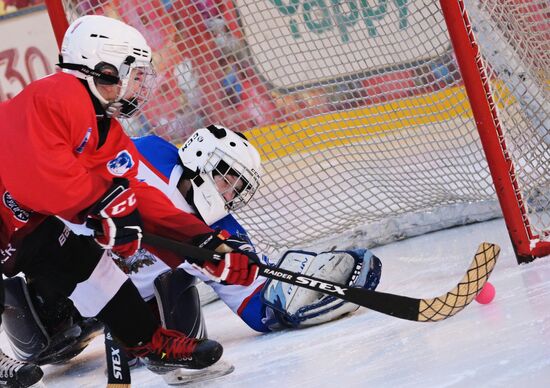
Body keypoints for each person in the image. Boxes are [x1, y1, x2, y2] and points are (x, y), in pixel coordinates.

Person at [3, 125, 383, 385]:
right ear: (202, 156)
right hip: (68, 286)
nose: (230, 194)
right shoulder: (145, 152)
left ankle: (153, 343)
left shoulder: (224, 231)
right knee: (46, 335)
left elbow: (258, 303)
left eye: (238, 189)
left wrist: (297, 291)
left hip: (129, 311)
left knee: (178, 283)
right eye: (227, 179)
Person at [0, 14, 261, 385]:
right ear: (103, 69)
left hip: (26, 223)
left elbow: (135, 196)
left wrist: (201, 245)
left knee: (92, 270)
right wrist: (101, 206)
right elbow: (33, 173)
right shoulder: (55, 96)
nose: (140, 85)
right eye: (134, 73)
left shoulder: (107, 131)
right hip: (11, 212)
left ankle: (150, 343)